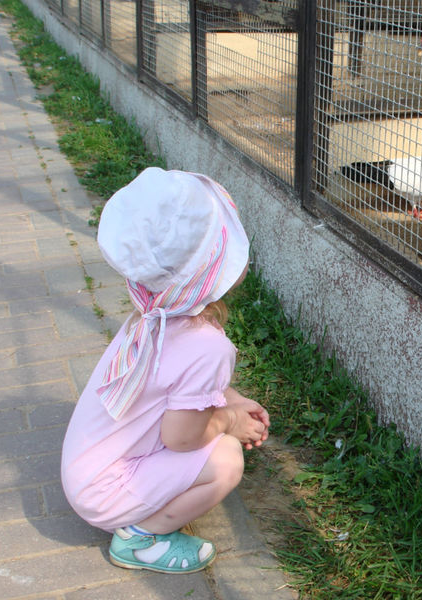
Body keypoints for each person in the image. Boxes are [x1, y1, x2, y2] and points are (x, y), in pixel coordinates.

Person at [61, 167, 269, 574]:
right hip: (107, 490)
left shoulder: (155, 312)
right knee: (226, 461)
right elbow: (181, 439)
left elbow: (178, 385)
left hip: (86, 467)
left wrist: (236, 400)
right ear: (215, 268)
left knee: (217, 441)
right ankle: (141, 538)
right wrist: (228, 421)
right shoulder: (209, 347)